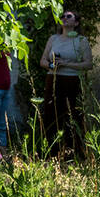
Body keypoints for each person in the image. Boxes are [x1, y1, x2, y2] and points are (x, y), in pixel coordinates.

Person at [40, 9, 93, 160]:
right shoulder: (53, 39)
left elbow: (89, 64)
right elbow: (43, 61)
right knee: (52, 116)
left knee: (73, 117)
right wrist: (52, 66)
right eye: (62, 16)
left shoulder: (81, 41)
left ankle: (74, 155)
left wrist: (67, 64)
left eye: (68, 16)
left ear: (76, 22)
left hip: (72, 81)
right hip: (53, 79)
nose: (64, 18)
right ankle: (51, 155)